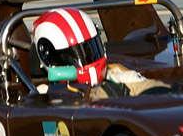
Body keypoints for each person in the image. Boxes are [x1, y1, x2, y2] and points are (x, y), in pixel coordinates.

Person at [31, 8, 169, 97]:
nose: (87, 60)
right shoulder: (43, 95)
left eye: (90, 49)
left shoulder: (121, 78)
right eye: (71, 54)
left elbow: (160, 95)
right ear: (50, 59)